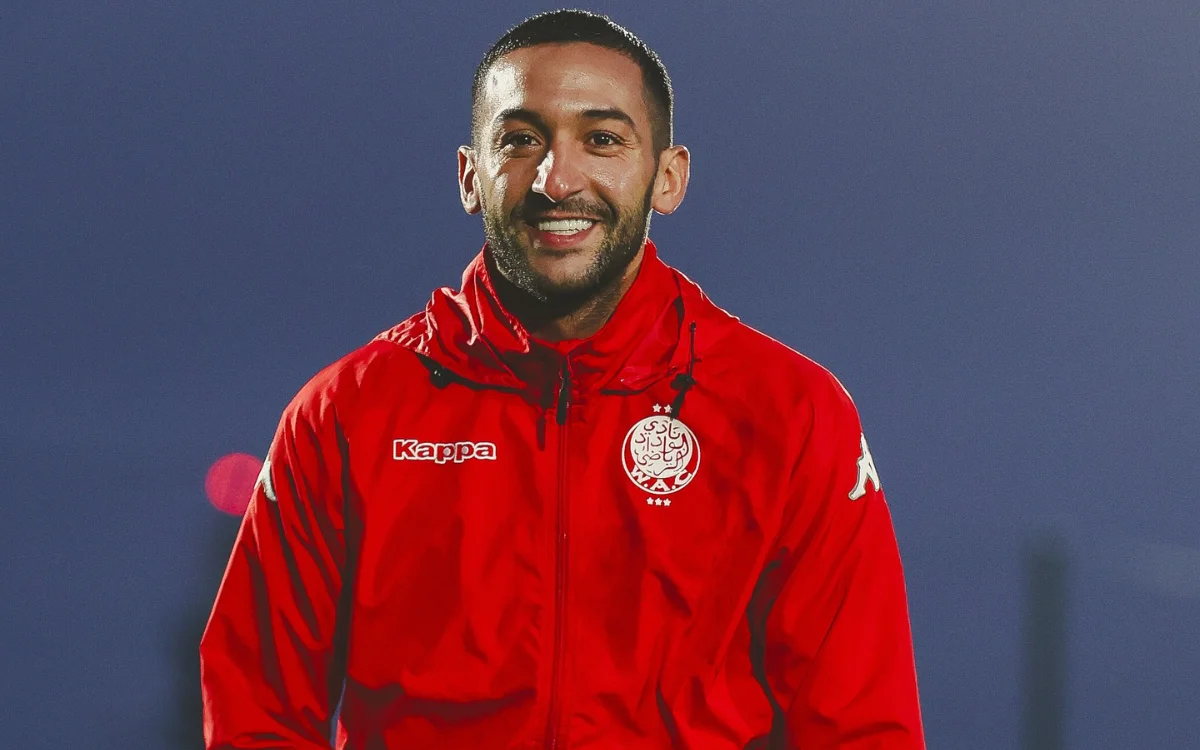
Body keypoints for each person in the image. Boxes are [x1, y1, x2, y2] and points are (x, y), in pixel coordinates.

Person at [200, 9, 925, 749]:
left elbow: (862, 727)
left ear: (667, 177)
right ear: (469, 176)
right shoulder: (348, 413)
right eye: (521, 141)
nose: (557, 179)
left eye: (603, 140)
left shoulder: (788, 410)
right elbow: (258, 711)